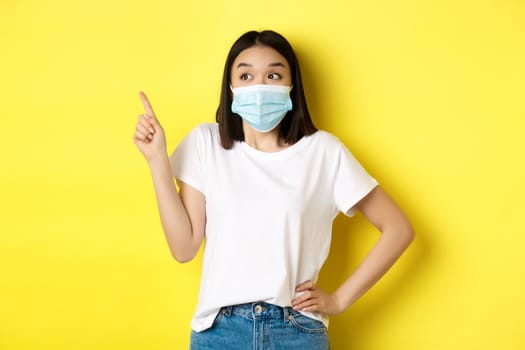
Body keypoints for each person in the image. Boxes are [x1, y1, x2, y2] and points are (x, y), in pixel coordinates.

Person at [133, 30, 414, 350]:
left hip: (295, 331)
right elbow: (184, 249)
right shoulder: (205, 143)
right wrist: (157, 160)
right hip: (220, 333)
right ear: (231, 87)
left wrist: (338, 300)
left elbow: (398, 228)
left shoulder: (323, 152)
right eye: (246, 75)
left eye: (274, 75)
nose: (260, 86)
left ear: (292, 86)